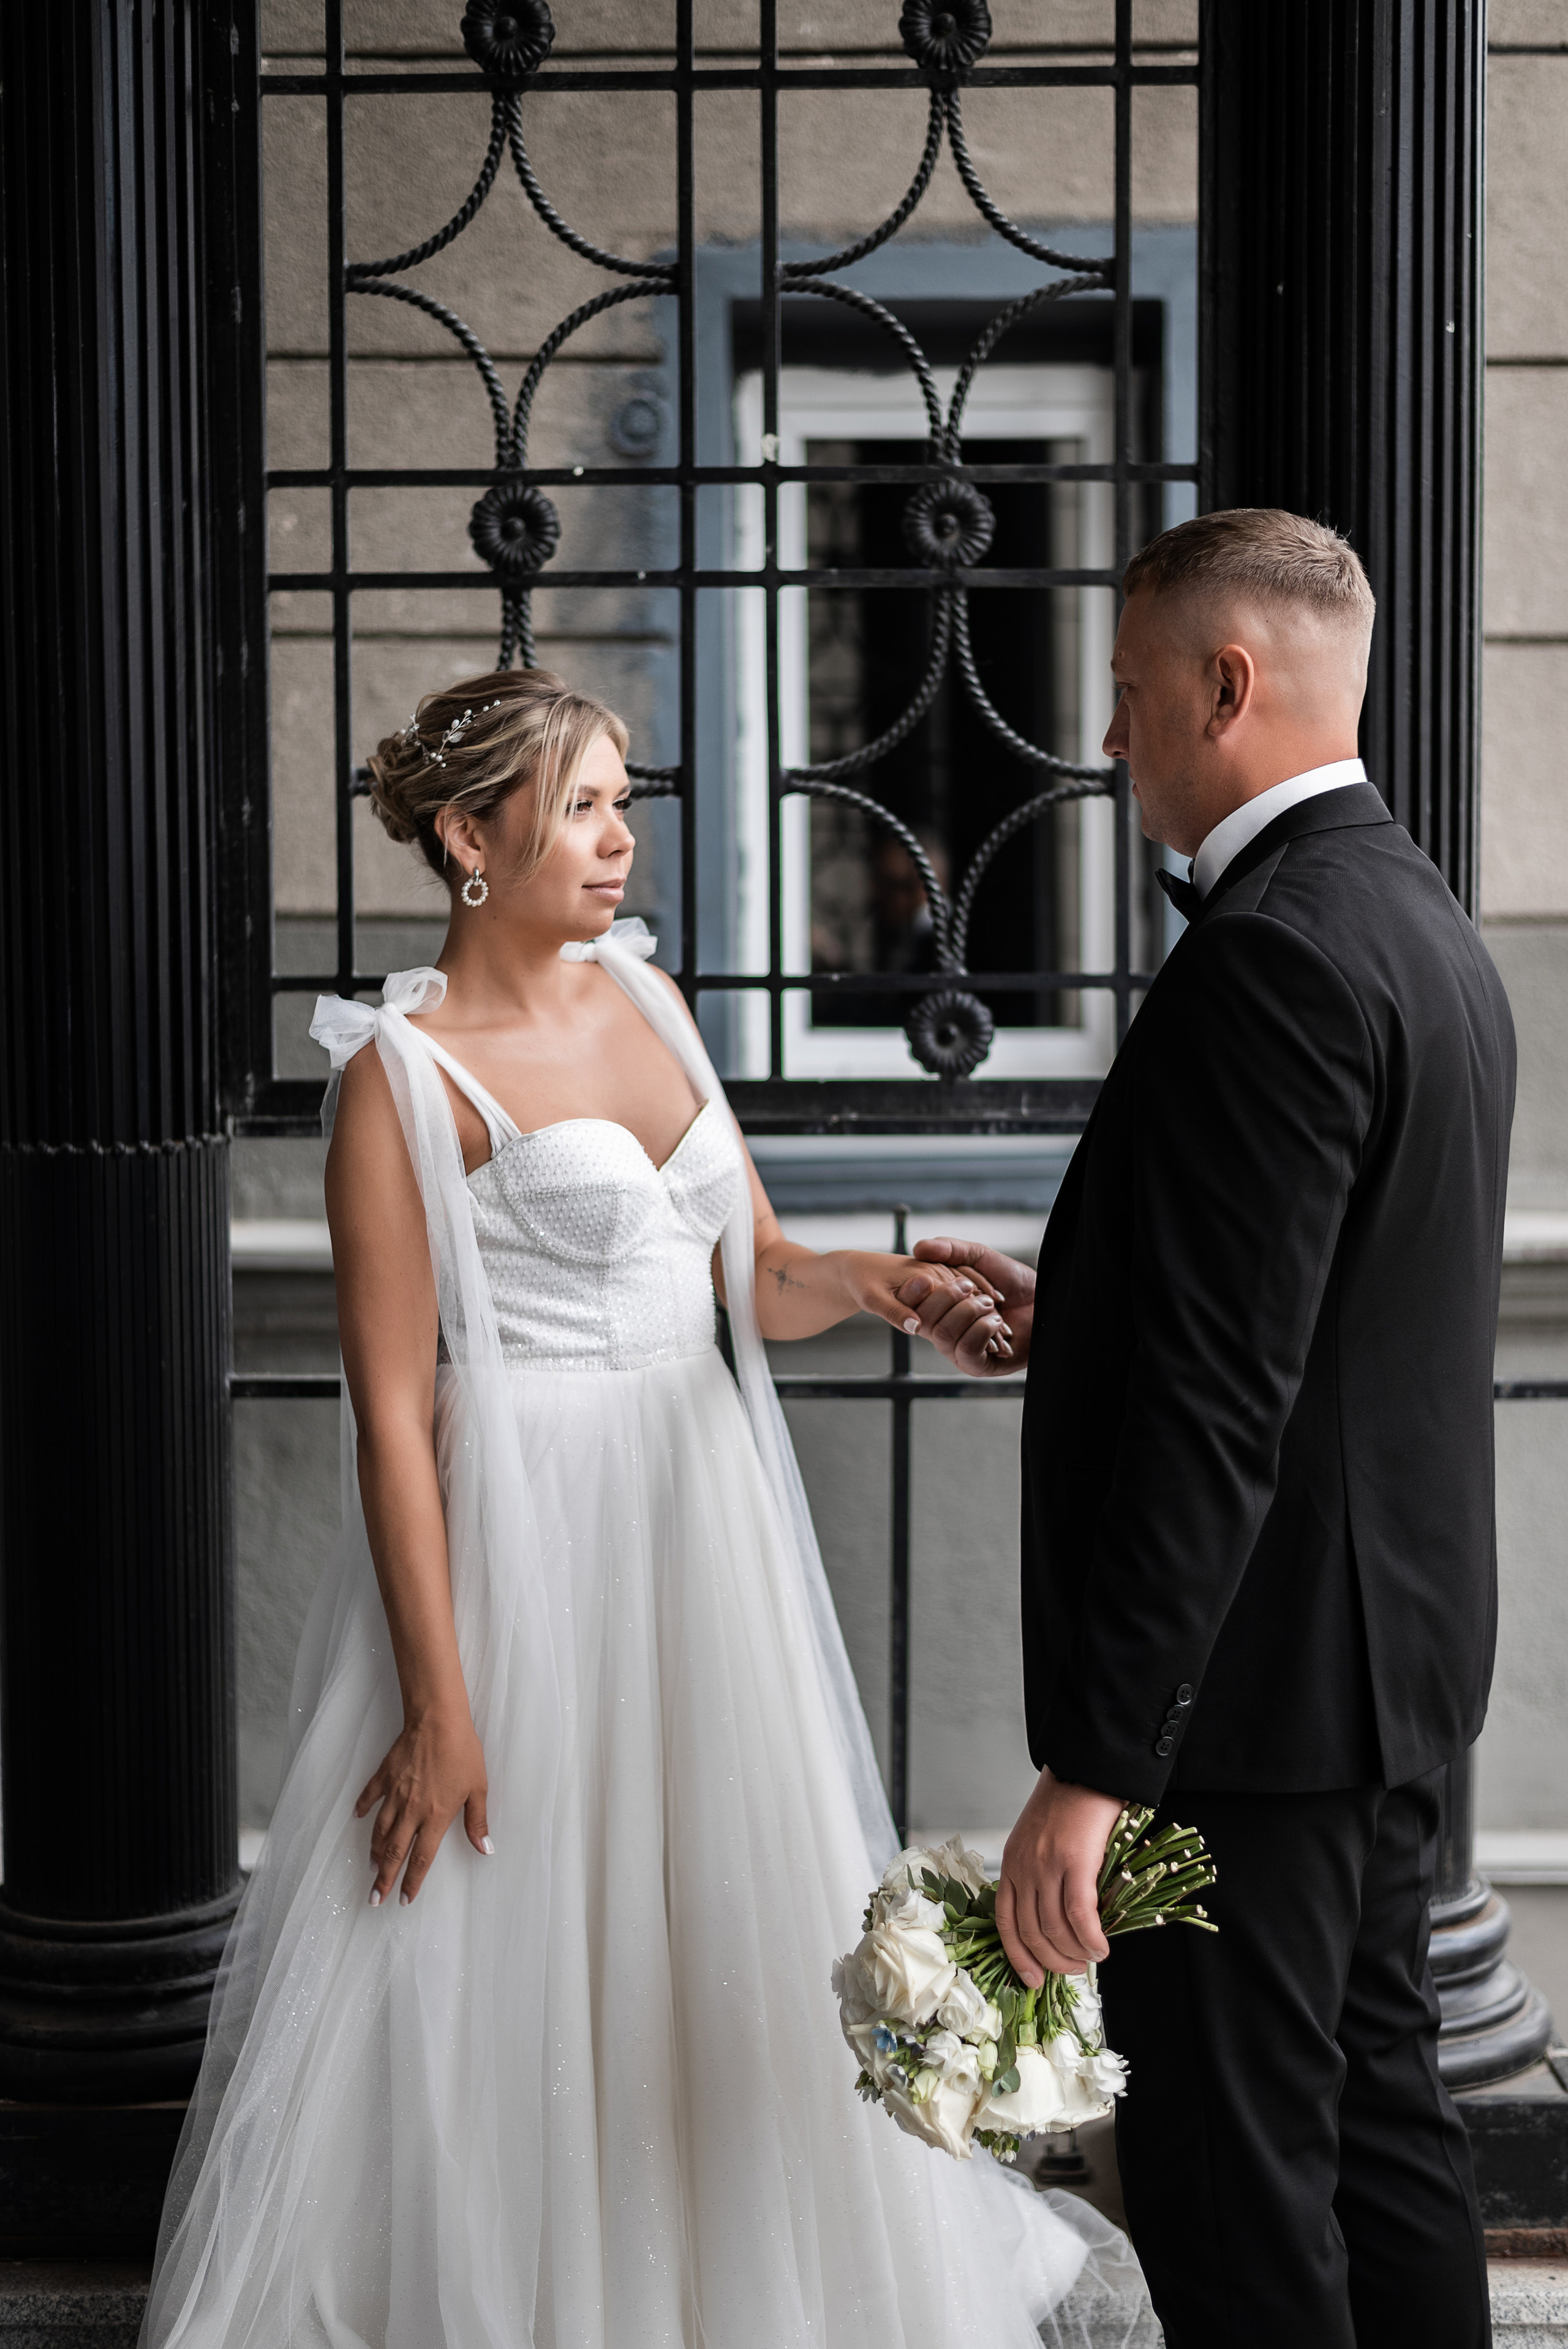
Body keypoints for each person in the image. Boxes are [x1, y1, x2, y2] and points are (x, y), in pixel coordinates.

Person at [140, 669, 1155, 2349]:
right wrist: (441, 1705)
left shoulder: (651, 997)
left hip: (701, 1522)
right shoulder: (397, 1076)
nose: (621, 841)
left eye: (624, 804)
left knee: (719, 1925)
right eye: (584, 808)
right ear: (471, 836)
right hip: (534, 1539)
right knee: (518, 1941)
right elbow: (392, 1412)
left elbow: (753, 1269)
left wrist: (884, 1286)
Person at [903, 507, 1513, 2348]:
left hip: (1246, 1706)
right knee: (1381, 2132)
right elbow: (1332, 1324)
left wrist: (1099, 1770)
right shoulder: (1418, 918)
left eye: (1129, 688)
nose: (1109, 734)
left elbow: (1225, 1402)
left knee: (1232, 2190)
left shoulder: (1274, 952)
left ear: (1225, 685)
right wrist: (1087, 1315)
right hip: (1383, 1676)